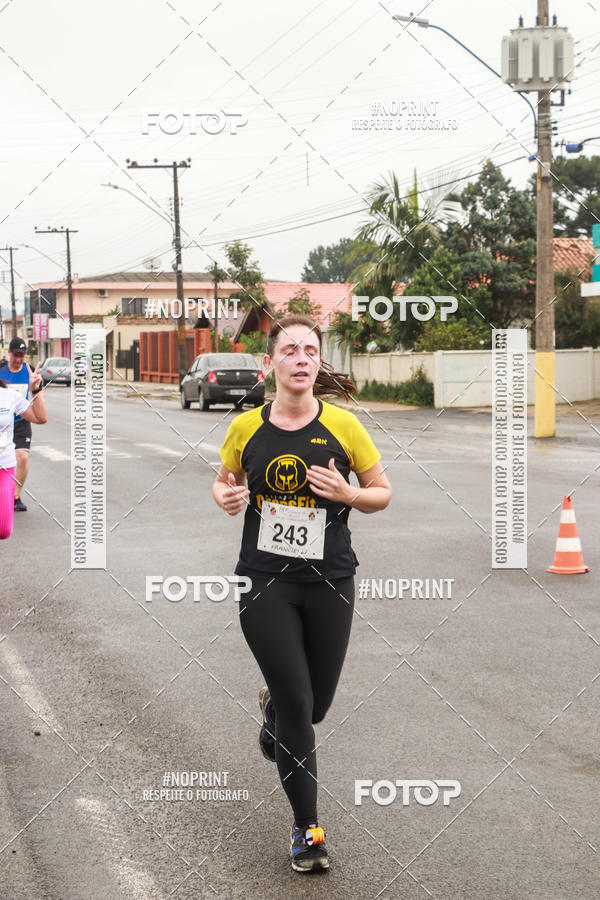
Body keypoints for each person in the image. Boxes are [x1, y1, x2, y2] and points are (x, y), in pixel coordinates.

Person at [212, 315, 392, 873]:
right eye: (289, 349)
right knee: (298, 704)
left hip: (330, 580)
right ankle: (308, 829)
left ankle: (275, 715)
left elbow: (383, 492)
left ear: (318, 362)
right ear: (272, 364)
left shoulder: (344, 426)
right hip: (265, 579)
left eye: (310, 350)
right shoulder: (246, 428)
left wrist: (350, 492)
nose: (301, 358)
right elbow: (224, 477)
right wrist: (224, 494)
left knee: (315, 707)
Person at [0, 362, 47, 538]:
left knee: (3, 530)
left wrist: (36, 390)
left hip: (4, 467)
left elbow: (40, 417)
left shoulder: (8, 396)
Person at [0, 337, 35, 511]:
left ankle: (15, 496)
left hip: (21, 422)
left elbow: (36, 395)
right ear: (10, 353)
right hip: (3, 424)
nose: (19, 359)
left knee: (22, 457)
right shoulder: (1, 371)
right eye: (16, 355)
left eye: (22, 355)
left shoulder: (30, 371)